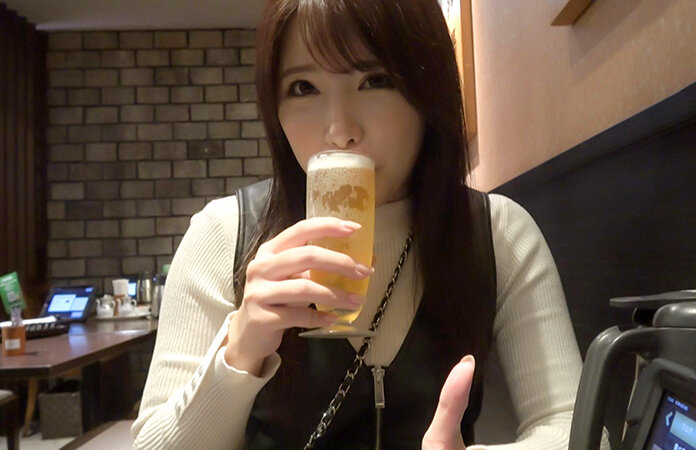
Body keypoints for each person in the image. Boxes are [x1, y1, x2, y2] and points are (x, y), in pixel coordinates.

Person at [132, 0, 606, 448]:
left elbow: (576, 428)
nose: (340, 131)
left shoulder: (498, 233)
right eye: (303, 87)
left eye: (375, 80)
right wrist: (237, 356)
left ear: (428, 91)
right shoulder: (223, 234)